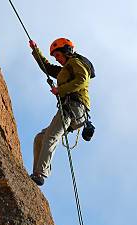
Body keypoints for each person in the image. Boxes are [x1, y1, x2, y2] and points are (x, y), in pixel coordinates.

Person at [28, 38, 92, 186]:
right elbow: (48, 68)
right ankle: (36, 172)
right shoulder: (65, 70)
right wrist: (35, 50)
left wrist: (60, 89)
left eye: (58, 55)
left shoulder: (76, 62)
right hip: (71, 109)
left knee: (50, 137)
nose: (57, 59)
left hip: (75, 108)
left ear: (66, 51)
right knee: (40, 138)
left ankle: (40, 174)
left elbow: (82, 79)